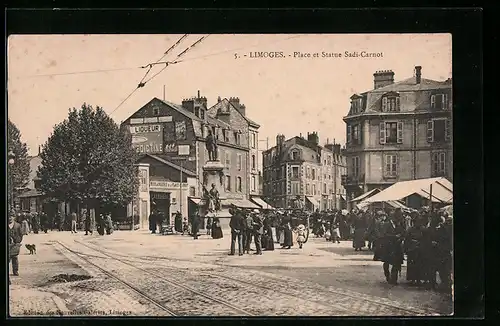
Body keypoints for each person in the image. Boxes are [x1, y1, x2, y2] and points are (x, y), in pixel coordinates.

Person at [377, 211, 405, 285]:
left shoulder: (400, 224)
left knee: (396, 263)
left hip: (397, 246)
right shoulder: (386, 224)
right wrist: (394, 236)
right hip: (388, 246)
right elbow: (384, 234)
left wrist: (401, 238)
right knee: (386, 262)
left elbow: (403, 232)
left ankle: (394, 279)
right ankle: (387, 275)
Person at [404, 215, 426, 286]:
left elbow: (426, 239)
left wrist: (421, 243)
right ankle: (412, 279)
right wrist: (407, 248)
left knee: (420, 265)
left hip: (420, 249)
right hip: (412, 249)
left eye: (419, 222)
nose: (418, 224)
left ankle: (419, 279)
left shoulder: (423, 229)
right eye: (416, 222)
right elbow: (406, 239)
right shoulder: (410, 229)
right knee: (412, 265)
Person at [9, 212, 24, 282]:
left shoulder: (18, 225)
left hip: (15, 244)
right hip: (7, 244)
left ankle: (15, 270)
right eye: (8, 217)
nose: (10, 218)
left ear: (14, 217)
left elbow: (21, 235)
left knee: (14, 257)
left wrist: (18, 242)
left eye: (11, 217)